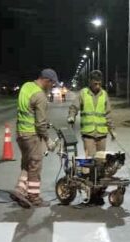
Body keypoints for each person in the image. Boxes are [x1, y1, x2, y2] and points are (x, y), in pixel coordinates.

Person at [11, 68, 58, 208]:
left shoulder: (26, 86)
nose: (52, 87)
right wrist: (47, 140)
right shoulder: (40, 96)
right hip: (32, 135)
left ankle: (19, 190)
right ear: (46, 80)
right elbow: (40, 123)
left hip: (21, 134)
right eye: (52, 84)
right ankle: (34, 197)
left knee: (27, 163)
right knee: (35, 166)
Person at [67, 70, 114, 205]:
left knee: (101, 163)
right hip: (88, 134)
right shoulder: (83, 93)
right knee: (91, 162)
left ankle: (98, 191)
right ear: (90, 82)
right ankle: (92, 193)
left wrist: (112, 130)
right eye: (95, 83)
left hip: (101, 134)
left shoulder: (104, 95)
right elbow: (74, 107)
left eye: (99, 83)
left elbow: (108, 114)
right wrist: (71, 116)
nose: (97, 86)